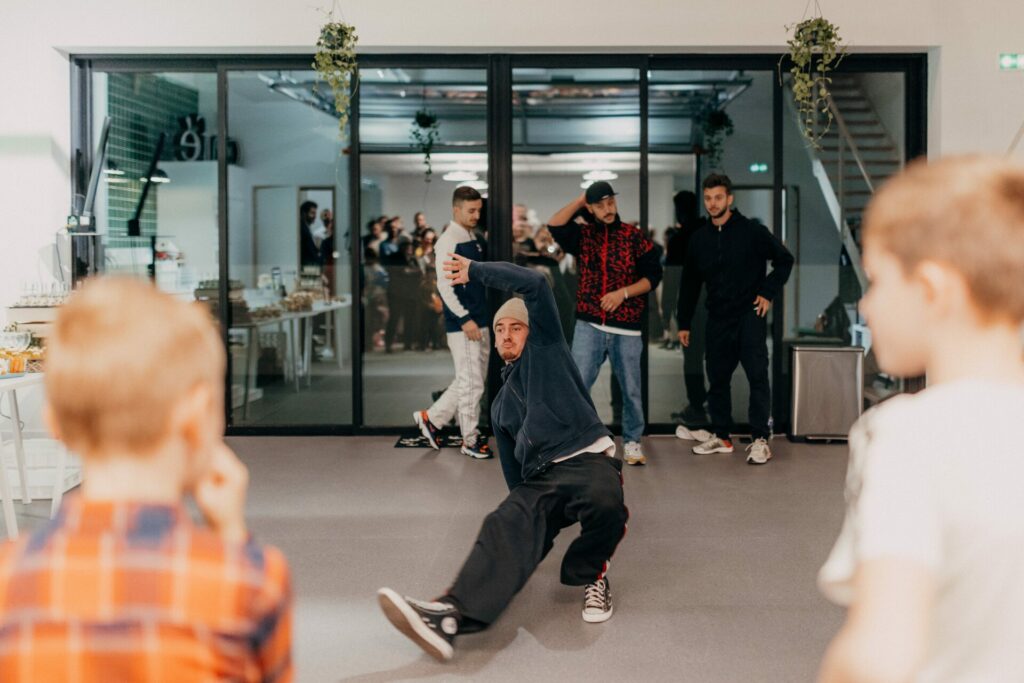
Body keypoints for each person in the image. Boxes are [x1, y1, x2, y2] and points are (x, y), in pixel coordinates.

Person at [0, 278, 292, 681]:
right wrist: (231, 538)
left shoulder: (9, 580)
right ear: (197, 414)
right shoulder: (251, 582)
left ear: (55, 423)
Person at [817, 156, 1024, 682]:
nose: (865, 305)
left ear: (933, 290)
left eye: (878, 280)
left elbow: (881, 653)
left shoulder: (908, 435)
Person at [379, 255, 628, 662]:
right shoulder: (498, 407)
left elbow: (534, 284)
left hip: (585, 458)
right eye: (500, 329)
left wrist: (475, 271)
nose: (508, 335)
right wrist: (523, 520)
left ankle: (591, 573)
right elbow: (516, 476)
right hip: (542, 480)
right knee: (503, 524)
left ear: (532, 331)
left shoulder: (548, 349)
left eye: (516, 327)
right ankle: (450, 617)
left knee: (604, 499)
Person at [676, 173, 793, 465]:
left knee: (757, 377)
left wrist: (767, 292)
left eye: (718, 197)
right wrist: (684, 322)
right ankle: (723, 436)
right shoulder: (699, 238)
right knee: (717, 380)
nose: (712, 203)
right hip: (717, 318)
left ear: (729, 199)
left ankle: (759, 440)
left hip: (749, 316)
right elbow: (689, 283)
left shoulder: (752, 231)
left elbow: (784, 260)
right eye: (708, 198)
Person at [548, 181, 663, 466]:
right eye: (599, 205)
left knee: (631, 389)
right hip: (589, 325)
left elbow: (654, 277)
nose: (607, 209)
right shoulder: (583, 236)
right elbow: (555, 225)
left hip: (627, 328)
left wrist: (623, 293)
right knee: (578, 386)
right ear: (591, 209)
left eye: (610, 202)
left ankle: (633, 441)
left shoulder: (633, 237)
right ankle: (576, 439)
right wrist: (580, 200)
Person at [413, 186, 492, 459]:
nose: (475, 215)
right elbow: (444, 287)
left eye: (478, 210)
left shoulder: (473, 236)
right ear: (455, 210)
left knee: (470, 379)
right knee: (471, 383)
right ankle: (469, 440)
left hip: (479, 319)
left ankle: (432, 419)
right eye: (470, 210)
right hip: (465, 323)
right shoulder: (448, 241)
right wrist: (465, 319)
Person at [665, 191, 710, 428]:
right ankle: (713, 403)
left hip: (691, 308)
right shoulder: (709, 232)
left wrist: (667, 310)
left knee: (692, 359)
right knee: (713, 357)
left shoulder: (679, 239)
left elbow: (672, 281)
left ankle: (696, 405)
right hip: (713, 306)